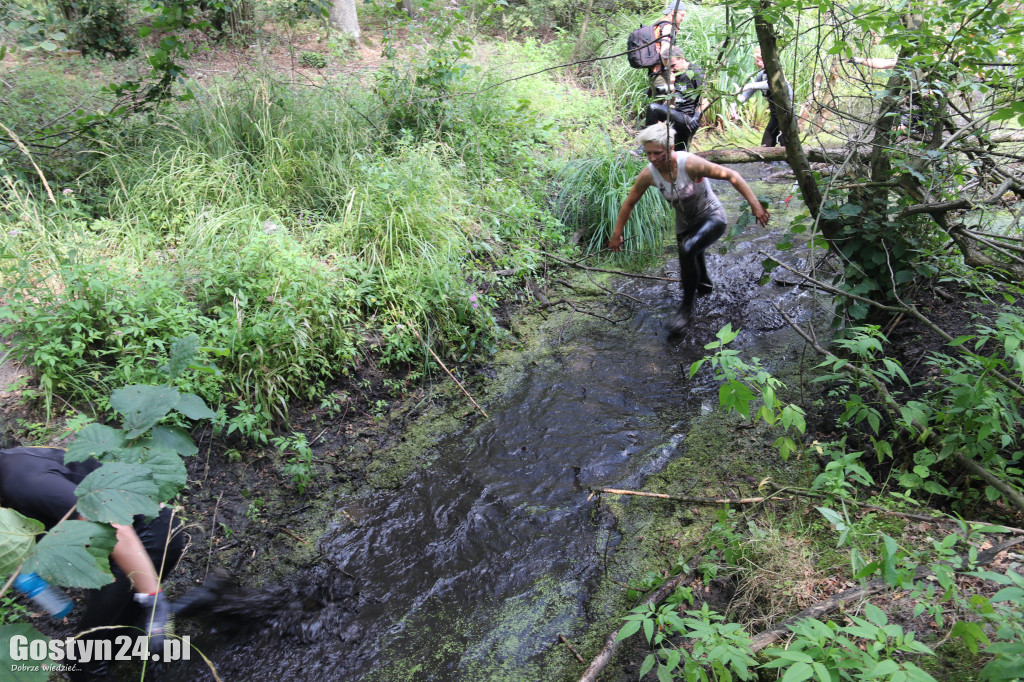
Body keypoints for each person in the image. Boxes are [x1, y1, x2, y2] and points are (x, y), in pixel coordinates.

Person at [0, 446, 184, 681]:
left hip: (144, 537)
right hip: (126, 543)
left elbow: (115, 523)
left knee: (82, 657)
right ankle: (203, 605)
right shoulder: (8, 483)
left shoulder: (21, 480)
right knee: (119, 637)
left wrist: (154, 598)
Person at [609, 123, 770, 335]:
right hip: (685, 223)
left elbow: (733, 175)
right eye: (648, 153)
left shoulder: (690, 164)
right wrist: (616, 233)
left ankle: (685, 311)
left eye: (658, 153)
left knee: (688, 249)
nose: (653, 158)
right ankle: (704, 286)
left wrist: (755, 206)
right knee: (694, 259)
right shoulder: (649, 174)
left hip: (712, 216)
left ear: (671, 148)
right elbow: (629, 203)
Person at [646, 46, 707, 151]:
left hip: (688, 119)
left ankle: (647, 145)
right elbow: (676, 92)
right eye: (668, 67)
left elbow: (706, 97)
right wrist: (664, 106)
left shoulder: (695, 72)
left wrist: (697, 116)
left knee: (653, 108)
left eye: (673, 66)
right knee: (679, 154)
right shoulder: (679, 72)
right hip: (678, 116)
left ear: (682, 58)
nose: (671, 70)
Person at [737, 46, 792, 147]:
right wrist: (735, 104)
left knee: (788, 153)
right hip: (775, 119)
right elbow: (748, 93)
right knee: (765, 149)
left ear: (765, 59)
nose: (755, 63)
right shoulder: (762, 75)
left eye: (757, 60)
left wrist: (751, 84)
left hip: (788, 121)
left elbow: (772, 84)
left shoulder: (778, 76)